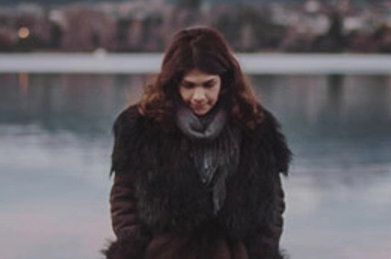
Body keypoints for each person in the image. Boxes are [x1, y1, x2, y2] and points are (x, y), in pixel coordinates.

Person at [104, 27, 292, 259]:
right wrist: (135, 249)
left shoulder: (253, 127)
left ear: (225, 80)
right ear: (174, 83)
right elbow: (124, 199)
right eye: (189, 85)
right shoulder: (143, 127)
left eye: (208, 84)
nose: (199, 96)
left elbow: (272, 205)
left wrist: (262, 251)